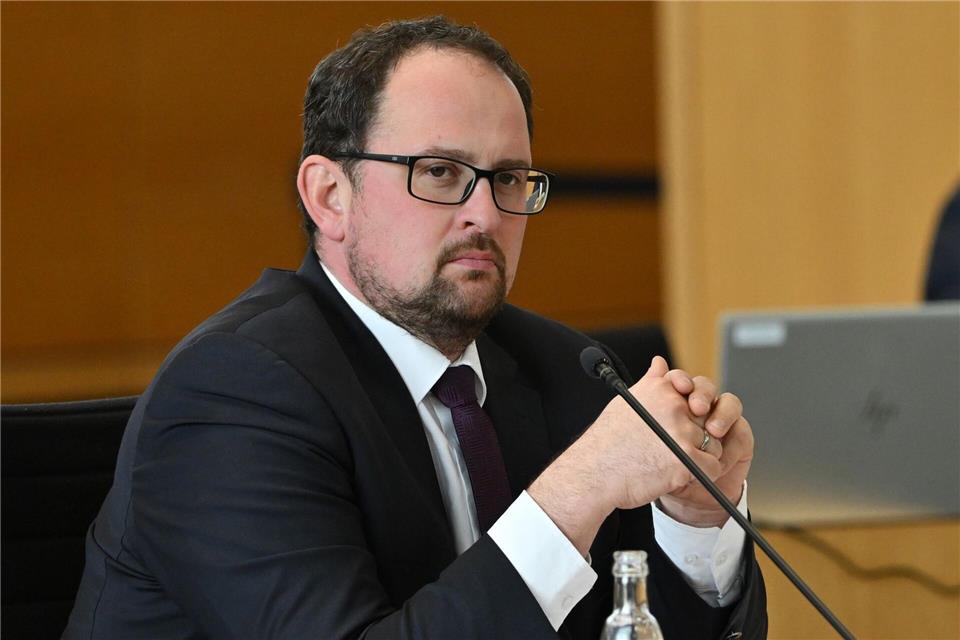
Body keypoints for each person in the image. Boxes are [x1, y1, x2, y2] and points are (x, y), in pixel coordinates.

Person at [65, 16, 766, 639]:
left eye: (510, 178)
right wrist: (575, 492)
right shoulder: (235, 394)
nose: (486, 216)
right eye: (438, 171)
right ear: (329, 196)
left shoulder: (567, 367)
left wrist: (697, 523)